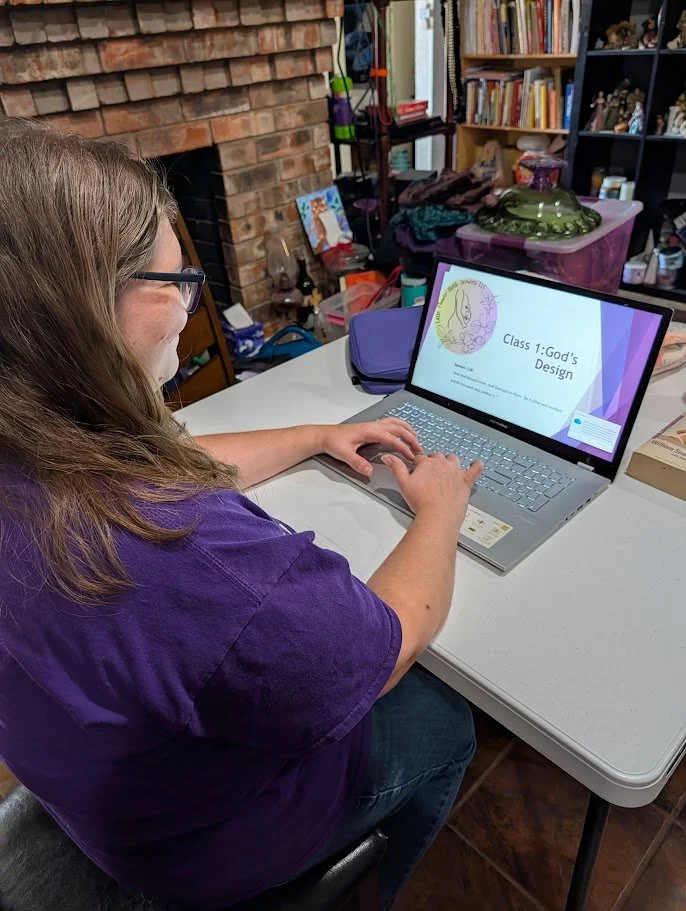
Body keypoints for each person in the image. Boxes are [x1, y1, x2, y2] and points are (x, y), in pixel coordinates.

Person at [0, 119, 480, 911]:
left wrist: (318, 434)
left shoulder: (41, 444)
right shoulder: (195, 554)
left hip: (94, 791)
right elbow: (383, 641)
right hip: (190, 847)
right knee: (444, 716)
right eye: (176, 283)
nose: (194, 306)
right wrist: (439, 511)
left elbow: (169, 459)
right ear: (81, 311)